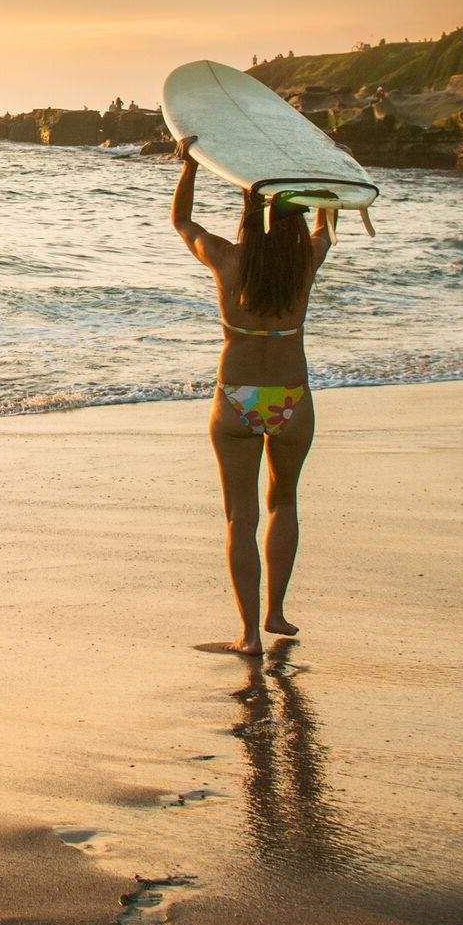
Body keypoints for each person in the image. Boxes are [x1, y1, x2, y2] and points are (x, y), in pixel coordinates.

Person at [170, 142, 334, 658]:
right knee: (284, 502)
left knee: (240, 517)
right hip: (291, 398)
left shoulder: (228, 260)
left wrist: (190, 166)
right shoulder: (304, 262)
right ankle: (277, 610)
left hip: (236, 398)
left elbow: (182, 223)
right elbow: (326, 230)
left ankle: (248, 636)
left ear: (248, 222)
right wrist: (329, 178)